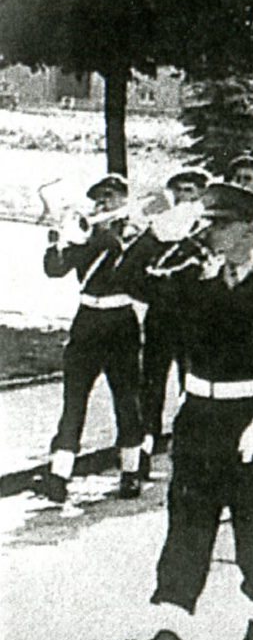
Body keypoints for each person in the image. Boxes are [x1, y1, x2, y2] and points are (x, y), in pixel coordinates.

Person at [120, 182, 253, 640]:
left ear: (252, 229)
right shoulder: (194, 281)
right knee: (187, 529)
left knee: (251, 533)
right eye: (209, 222)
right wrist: (157, 235)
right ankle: (169, 633)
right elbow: (129, 279)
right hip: (200, 422)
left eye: (220, 224)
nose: (210, 232)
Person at [41, 175, 146, 503]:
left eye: (110, 197)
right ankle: (59, 474)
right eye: (98, 199)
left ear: (124, 200)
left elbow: (136, 273)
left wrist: (111, 236)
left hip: (120, 321)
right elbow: (55, 270)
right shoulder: (85, 234)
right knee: (74, 400)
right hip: (87, 320)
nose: (102, 204)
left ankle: (130, 471)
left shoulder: (135, 235)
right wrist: (60, 238)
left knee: (126, 398)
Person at [139, 168, 209, 479]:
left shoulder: (205, 233)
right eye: (179, 191)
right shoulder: (161, 229)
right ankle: (144, 446)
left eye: (190, 191)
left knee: (190, 382)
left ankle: (189, 446)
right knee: (152, 382)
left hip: (193, 317)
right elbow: (140, 271)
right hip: (161, 316)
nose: (183, 197)